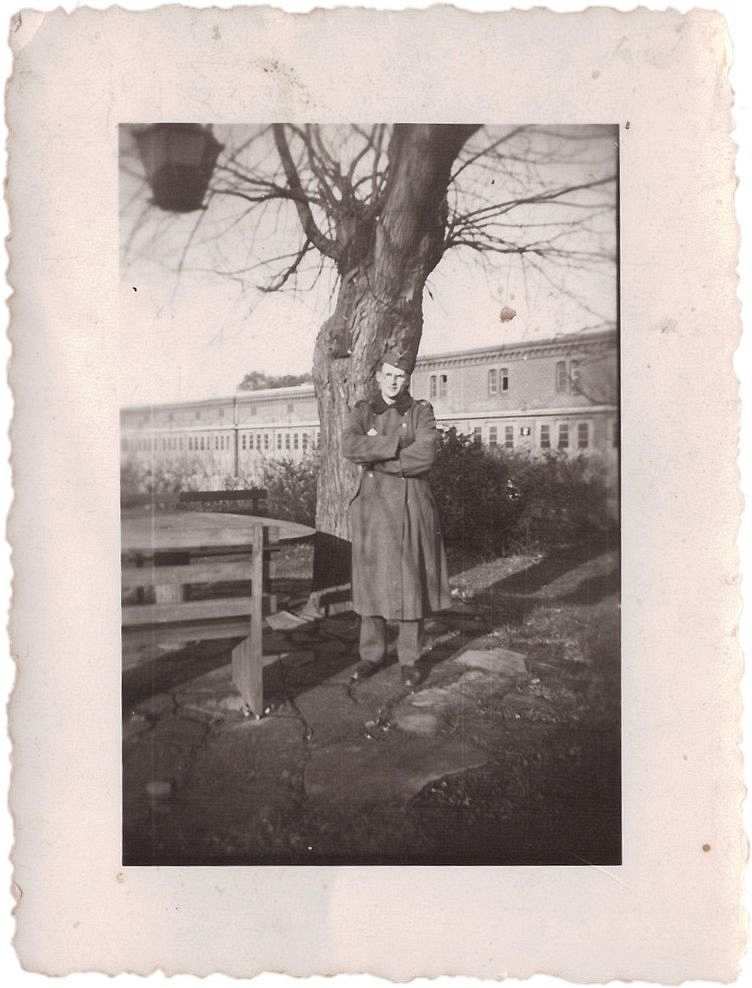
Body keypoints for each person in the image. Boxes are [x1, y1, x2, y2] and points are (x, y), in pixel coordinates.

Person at [342, 346, 451, 688]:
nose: (393, 382)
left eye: (400, 376)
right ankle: (371, 655)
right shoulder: (363, 411)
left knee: (410, 579)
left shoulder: (421, 411)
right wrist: (394, 446)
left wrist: (377, 458)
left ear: (407, 380)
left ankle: (410, 658)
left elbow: (426, 454)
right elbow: (349, 446)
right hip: (372, 508)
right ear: (377, 378)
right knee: (371, 579)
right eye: (387, 375)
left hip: (410, 505)